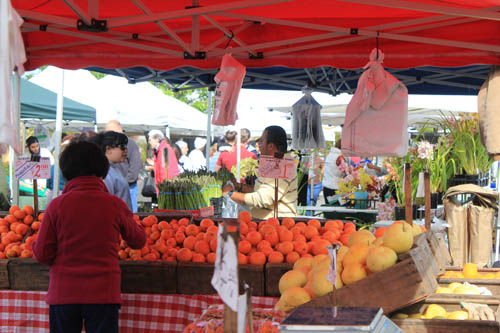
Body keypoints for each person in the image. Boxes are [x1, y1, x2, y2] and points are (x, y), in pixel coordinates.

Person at [32, 140, 146, 333]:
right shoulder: (114, 204)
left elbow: (42, 254)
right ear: (101, 169)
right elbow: (138, 240)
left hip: (64, 293)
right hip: (103, 294)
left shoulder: (56, 206)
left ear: (66, 171)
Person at [222, 125, 297, 219]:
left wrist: (230, 194)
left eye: (261, 141)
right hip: (268, 223)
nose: (258, 145)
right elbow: (260, 190)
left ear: (270, 146)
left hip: (277, 225)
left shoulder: (281, 166)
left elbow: (262, 199)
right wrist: (239, 186)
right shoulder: (275, 162)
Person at [90, 131, 133, 211]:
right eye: (122, 147)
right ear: (108, 149)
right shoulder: (105, 173)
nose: (126, 150)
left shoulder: (113, 168)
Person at [105, 120, 142, 213]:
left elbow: (135, 165)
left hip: (129, 186)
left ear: (119, 129)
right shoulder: (108, 172)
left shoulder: (131, 144)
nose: (125, 150)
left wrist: (126, 181)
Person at [322, 139, 344, 203]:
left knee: (329, 208)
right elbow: (340, 172)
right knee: (335, 209)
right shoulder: (339, 157)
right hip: (335, 187)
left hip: (327, 186)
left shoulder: (330, 155)